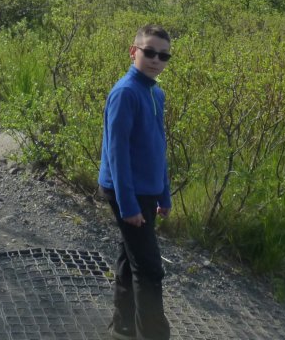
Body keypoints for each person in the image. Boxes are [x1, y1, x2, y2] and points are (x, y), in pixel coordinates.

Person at [98, 24, 173, 340]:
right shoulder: (125, 92)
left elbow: (158, 147)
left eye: (164, 55)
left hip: (146, 190)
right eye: (150, 52)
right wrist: (128, 205)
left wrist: (164, 194)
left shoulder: (155, 92)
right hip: (126, 190)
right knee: (150, 269)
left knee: (131, 260)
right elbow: (117, 154)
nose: (156, 60)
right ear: (133, 52)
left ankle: (124, 327)